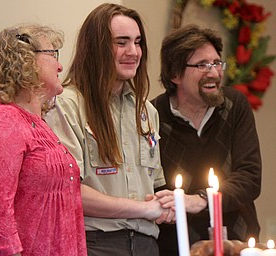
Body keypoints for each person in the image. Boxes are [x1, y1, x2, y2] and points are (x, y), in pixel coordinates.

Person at [45, 3, 174, 256]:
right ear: (96, 48)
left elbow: (155, 186)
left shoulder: (146, 111)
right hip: (95, 244)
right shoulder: (67, 105)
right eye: (121, 42)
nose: (133, 52)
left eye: (138, 42)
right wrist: (144, 209)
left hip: (147, 245)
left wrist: (166, 202)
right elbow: (67, 192)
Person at [0, 24, 87, 256]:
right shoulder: (0, 119)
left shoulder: (37, 124)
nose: (60, 65)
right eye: (52, 54)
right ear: (24, 60)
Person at [152, 24, 262, 256]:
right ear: (175, 74)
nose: (214, 73)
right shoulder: (153, 115)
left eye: (216, 63)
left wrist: (202, 200)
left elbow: (250, 176)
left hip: (237, 242)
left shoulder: (235, 105)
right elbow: (153, 185)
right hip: (176, 245)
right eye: (202, 65)